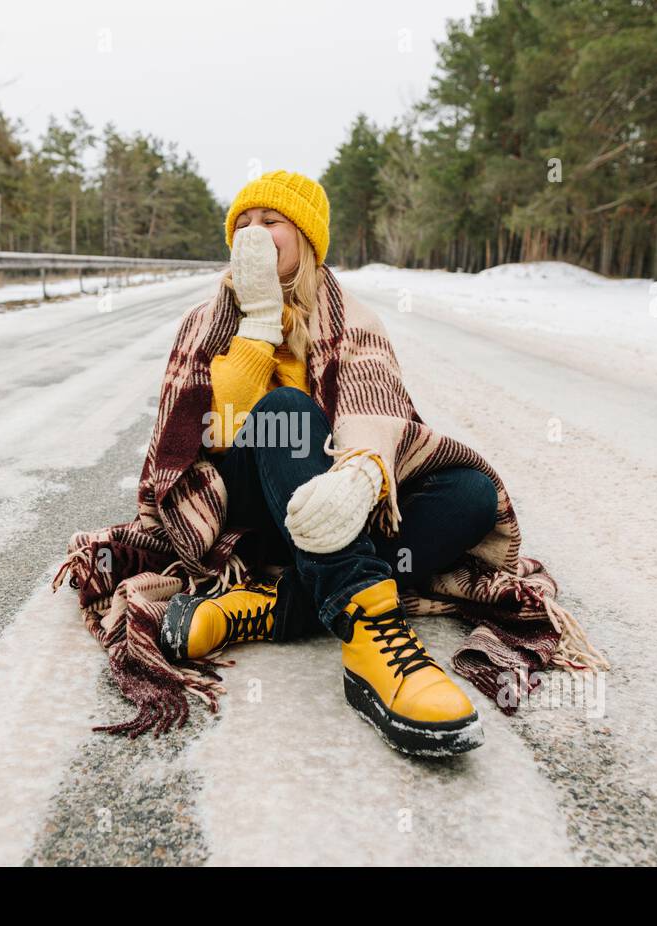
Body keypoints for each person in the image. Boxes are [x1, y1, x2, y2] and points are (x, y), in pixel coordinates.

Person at [157, 171, 500, 757]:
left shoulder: (354, 318)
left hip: (334, 510)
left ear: (307, 238)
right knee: (286, 410)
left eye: (271, 222)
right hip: (248, 511)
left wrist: (364, 472)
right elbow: (210, 435)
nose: (255, 236)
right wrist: (259, 323)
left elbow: (378, 411)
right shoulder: (207, 321)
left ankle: (274, 610)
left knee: (471, 492)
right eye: (242, 226)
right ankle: (372, 635)